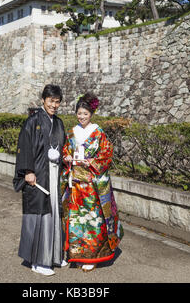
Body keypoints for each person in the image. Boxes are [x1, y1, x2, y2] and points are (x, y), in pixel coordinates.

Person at [61, 93, 124, 272]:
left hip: (92, 184)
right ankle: (78, 254)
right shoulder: (72, 132)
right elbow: (66, 150)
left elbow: (106, 155)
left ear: (91, 114)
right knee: (77, 221)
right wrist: (67, 157)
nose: (81, 117)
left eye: (85, 114)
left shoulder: (98, 133)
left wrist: (91, 162)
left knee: (93, 221)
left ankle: (94, 256)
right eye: (79, 113)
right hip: (76, 184)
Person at [13, 84, 67, 276]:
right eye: (51, 101)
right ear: (43, 100)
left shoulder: (58, 123)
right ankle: (37, 261)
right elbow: (25, 145)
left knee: (53, 213)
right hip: (38, 174)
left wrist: (65, 157)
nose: (54, 105)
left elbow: (64, 145)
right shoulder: (33, 121)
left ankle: (53, 255)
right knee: (39, 215)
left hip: (54, 173)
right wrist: (28, 171)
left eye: (57, 102)